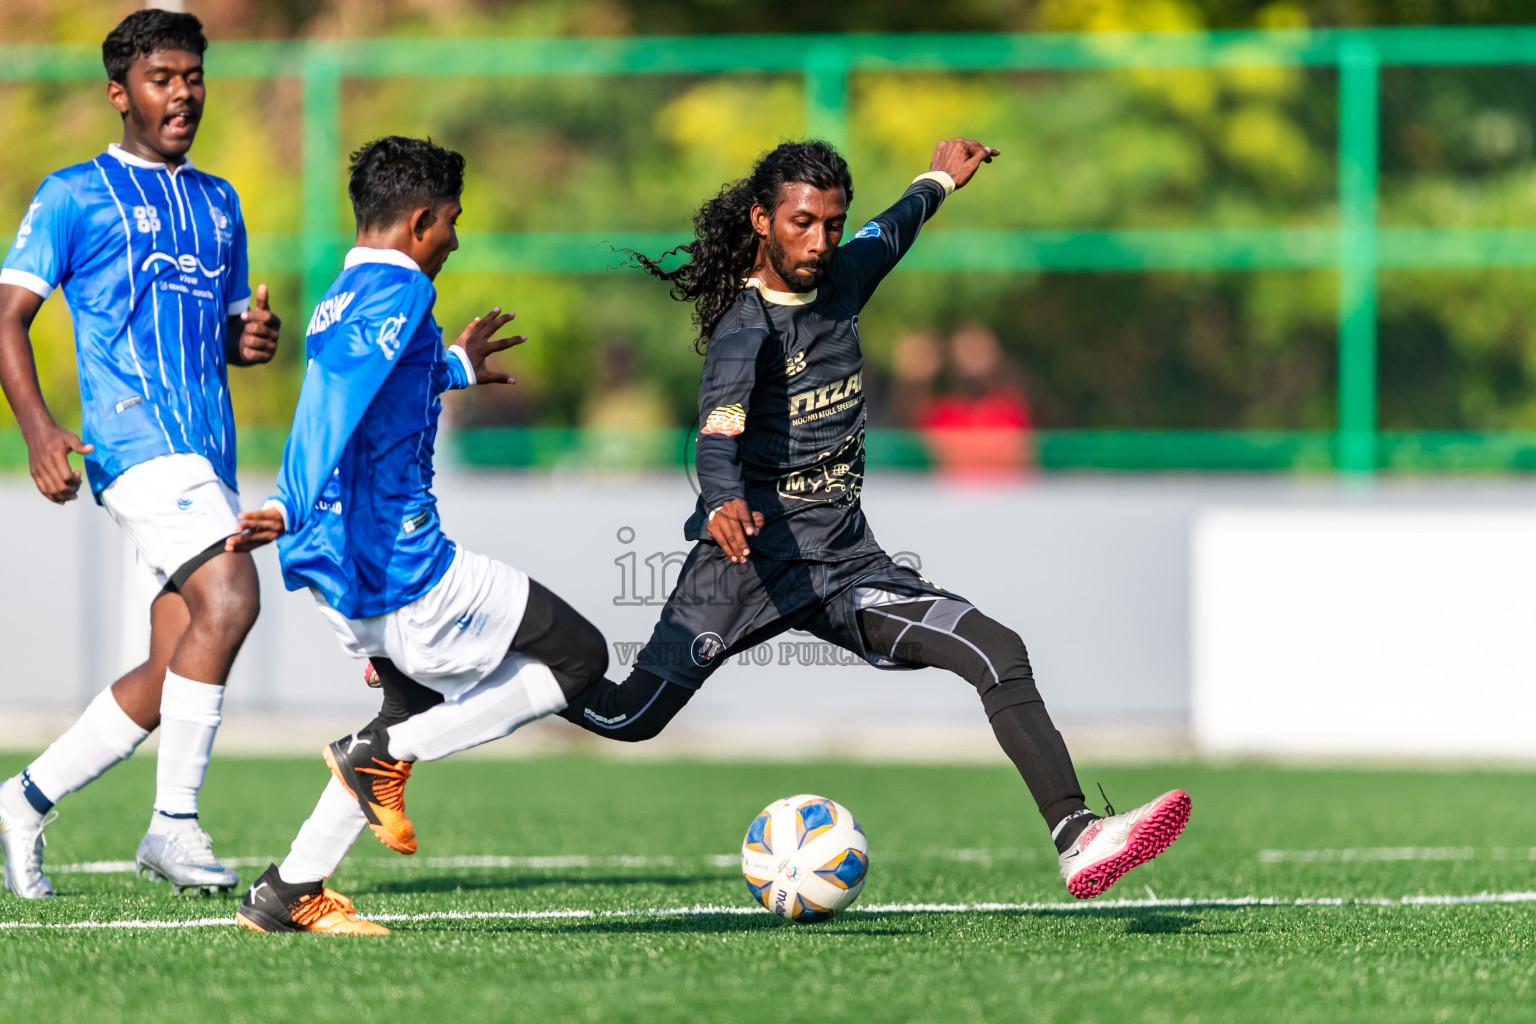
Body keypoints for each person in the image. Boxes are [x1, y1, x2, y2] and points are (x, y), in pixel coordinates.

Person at [560, 138, 1190, 900]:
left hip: (845, 569)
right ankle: (493, 657)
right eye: (801, 223)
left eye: (831, 223)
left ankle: (1077, 835)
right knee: (629, 719)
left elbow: (895, 227)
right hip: (744, 565)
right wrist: (722, 498)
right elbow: (717, 431)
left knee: (993, 648)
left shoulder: (843, 278)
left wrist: (938, 180)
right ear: (762, 220)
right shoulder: (744, 330)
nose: (820, 241)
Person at [225, 136, 607, 934]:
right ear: (421, 219)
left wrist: (456, 367)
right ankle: (386, 757)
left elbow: (385, 386)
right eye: (453, 224)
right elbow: (334, 401)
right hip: (403, 568)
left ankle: (290, 890)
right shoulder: (399, 294)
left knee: (408, 701)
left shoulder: (347, 290)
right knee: (580, 658)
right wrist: (290, 499)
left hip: (343, 572)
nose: (457, 240)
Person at [0, 9, 281, 899]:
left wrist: (251, 339)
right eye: (163, 78)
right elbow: (7, 316)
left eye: (193, 76)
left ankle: (22, 800)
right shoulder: (73, 194)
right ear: (120, 93)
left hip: (208, 448)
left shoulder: (221, 200)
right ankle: (174, 826)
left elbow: (221, 332)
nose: (184, 93)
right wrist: (39, 428)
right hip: (131, 440)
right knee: (233, 591)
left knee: (170, 673)